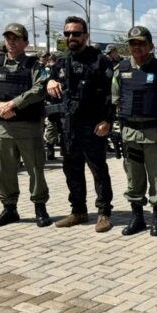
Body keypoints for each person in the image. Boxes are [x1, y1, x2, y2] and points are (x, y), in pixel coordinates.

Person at [46, 16, 115, 233]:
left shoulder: (99, 61)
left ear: (85, 35)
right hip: (69, 127)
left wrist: (107, 121)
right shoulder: (60, 62)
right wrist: (49, 81)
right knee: (72, 170)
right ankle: (78, 211)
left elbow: (112, 95)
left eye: (76, 33)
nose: (71, 37)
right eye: (67, 34)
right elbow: (49, 86)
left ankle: (103, 213)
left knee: (98, 170)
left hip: (93, 126)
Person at [0, 23, 51, 228]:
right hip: (3, 128)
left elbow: (40, 89)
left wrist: (13, 103)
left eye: (16, 38)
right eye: (8, 38)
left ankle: (40, 207)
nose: (11, 42)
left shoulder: (34, 66)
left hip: (28, 127)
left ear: (25, 43)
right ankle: (9, 208)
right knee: (5, 170)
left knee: (35, 170)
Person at [112, 26, 157, 236]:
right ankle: (137, 218)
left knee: (156, 176)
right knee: (133, 176)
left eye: (141, 43)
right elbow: (116, 101)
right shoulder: (121, 69)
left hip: (153, 132)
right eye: (132, 43)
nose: (136, 47)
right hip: (129, 133)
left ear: (150, 46)